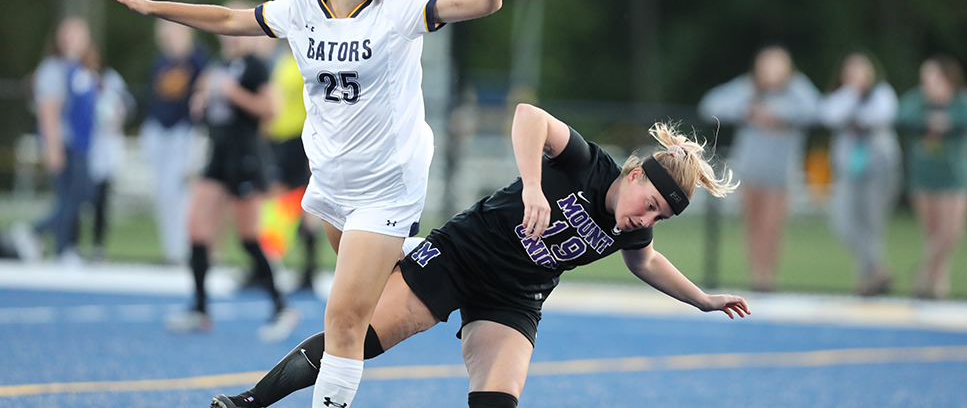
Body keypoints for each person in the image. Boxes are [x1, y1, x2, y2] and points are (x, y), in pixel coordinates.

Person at [101, 0, 515, 405]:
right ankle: (446, 260)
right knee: (372, 296)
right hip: (333, 184)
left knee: (344, 319)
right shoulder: (301, 5)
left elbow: (485, 0)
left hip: (388, 184)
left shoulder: (401, 4)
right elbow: (229, 21)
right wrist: (151, 6)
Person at [209, 103, 749, 408]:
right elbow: (527, 116)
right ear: (634, 176)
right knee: (362, 339)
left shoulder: (632, 229)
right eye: (649, 205)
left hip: (515, 297)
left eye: (660, 219)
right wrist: (535, 186)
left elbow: (645, 261)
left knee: (498, 400)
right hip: (459, 258)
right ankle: (252, 402)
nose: (646, 221)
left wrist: (701, 300)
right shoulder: (589, 165)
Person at [162, 0, 300, 342]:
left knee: (249, 236)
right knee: (196, 229)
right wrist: (203, 101)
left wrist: (232, 93)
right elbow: (208, 100)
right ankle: (199, 307)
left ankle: (281, 306)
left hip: (244, 155)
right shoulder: (219, 66)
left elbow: (271, 108)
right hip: (218, 154)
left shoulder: (254, 67)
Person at [698, 45, 820, 292]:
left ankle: (769, 280)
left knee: (772, 228)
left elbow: (816, 110)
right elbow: (710, 105)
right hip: (750, 170)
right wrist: (747, 109)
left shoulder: (796, 89)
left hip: (780, 173)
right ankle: (756, 278)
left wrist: (779, 115)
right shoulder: (749, 88)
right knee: (752, 227)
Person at [897, 55, 967, 299]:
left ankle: (924, 273)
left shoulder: (963, 100)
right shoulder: (918, 101)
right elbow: (901, 115)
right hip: (924, 176)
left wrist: (951, 122)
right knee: (932, 232)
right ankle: (939, 284)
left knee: (951, 232)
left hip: (956, 177)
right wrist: (927, 121)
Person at [818, 52, 901, 296]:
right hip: (848, 170)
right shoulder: (841, 96)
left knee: (871, 223)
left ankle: (867, 280)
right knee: (843, 222)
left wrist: (854, 114)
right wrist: (852, 93)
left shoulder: (882, 94)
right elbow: (830, 115)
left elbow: (879, 116)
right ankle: (877, 268)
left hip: (879, 169)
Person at [20, 17, 98, 265]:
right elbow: (49, 111)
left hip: (81, 143)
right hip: (64, 143)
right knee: (70, 199)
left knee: (77, 198)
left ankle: (62, 248)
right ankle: (37, 235)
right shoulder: (53, 69)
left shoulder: (81, 69)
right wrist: (52, 149)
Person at [142, 19, 210, 265]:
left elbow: (204, 91)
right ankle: (173, 250)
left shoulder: (198, 60)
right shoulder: (160, 62)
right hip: (159, 131)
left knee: (181, 193)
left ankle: (185, 250)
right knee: (164, 194)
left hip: (183, 132)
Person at [263, 41, 322, 292]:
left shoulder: (308, 61)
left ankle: (306, 269)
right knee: (281, 203)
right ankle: (271, 264)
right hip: (282, 140)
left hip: (298, 139)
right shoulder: (284, 60)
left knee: (303, 202)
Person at [84, 45, 136, 262]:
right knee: (79, 196)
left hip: (106, 145)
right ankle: (70, 243)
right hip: (85, 144)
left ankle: (98, 244)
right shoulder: (80, 79)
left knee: (101, 198)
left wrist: (118, 118)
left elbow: (126, 105)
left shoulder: (111, 79)